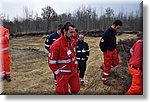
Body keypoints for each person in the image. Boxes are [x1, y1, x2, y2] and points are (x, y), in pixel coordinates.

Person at [48, 22, 80, 95]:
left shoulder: (71, 42)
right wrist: (59, 74)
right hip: (62, 74)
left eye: (74, 32)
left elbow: (73, 56)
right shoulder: (56, 45)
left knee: (76, 89)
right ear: (65, 31)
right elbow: (51, 63)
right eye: (71, 32)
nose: (73, 34)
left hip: (73, 72)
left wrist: (75, 68)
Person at [99, 20, 122, 86]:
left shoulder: (114, 32)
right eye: (117, 28)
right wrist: (105, 51)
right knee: (108, 65)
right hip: (108, 51)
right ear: (114, 25)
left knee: (116, 62)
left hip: (114, 50)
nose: (118, 29)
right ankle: (104, 80)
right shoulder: (107, 33)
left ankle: (103, 66)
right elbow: (101, 44)